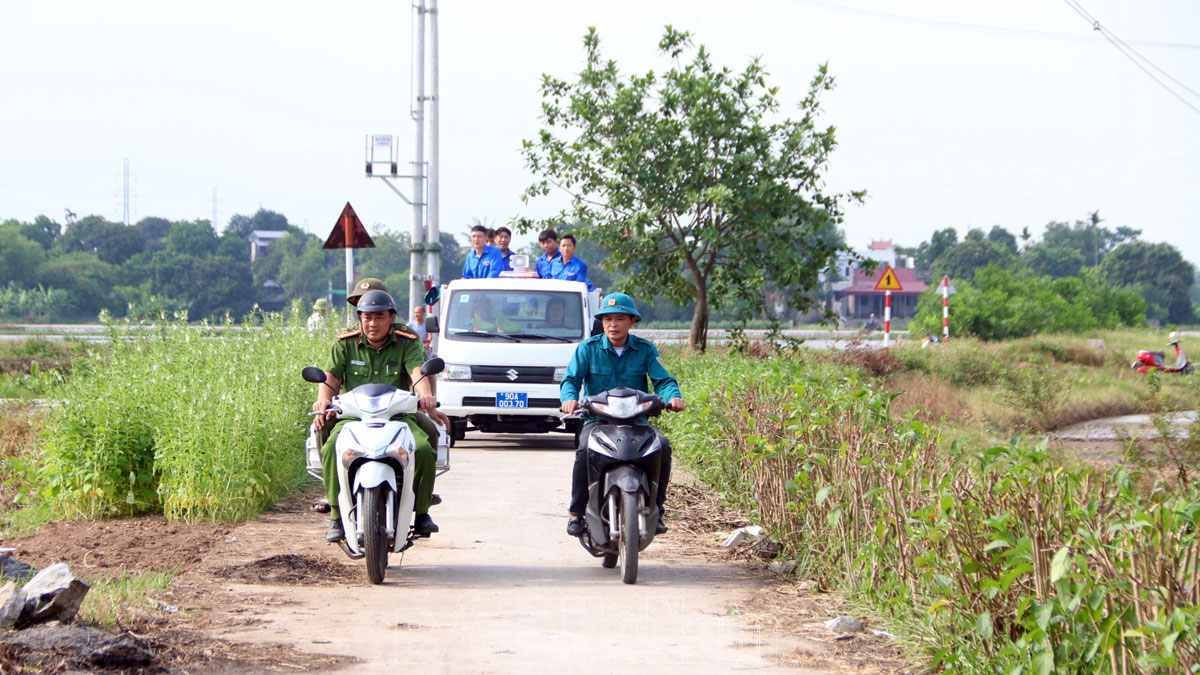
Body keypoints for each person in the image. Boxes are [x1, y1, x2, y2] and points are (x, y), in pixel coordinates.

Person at [312, 290, 450, 541]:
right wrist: (323, 400)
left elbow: (418, 372)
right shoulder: (345, 342)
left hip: (397, 415)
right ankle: (335, 513)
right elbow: (330, 377)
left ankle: (421, 512)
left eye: (379, 317)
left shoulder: (407, 341)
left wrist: (427, 397)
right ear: (360, 319)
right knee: (332, 445)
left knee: (424, 446)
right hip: (353, 416)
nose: (372, 323)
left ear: (392, 318)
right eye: (367, 318)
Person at [559, 292, 686, 537]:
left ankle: (657, 508)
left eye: (619, 319)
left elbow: (663, 380)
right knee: (584, 450)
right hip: (598, 422)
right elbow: (571, 380)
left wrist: (673, 397)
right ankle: (577, 512)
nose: (613, 325)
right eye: (607, 319)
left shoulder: (645, 349)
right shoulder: (588, 348)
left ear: (632, 322)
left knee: (663, 446)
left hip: (637, 422)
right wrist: (569, 399)